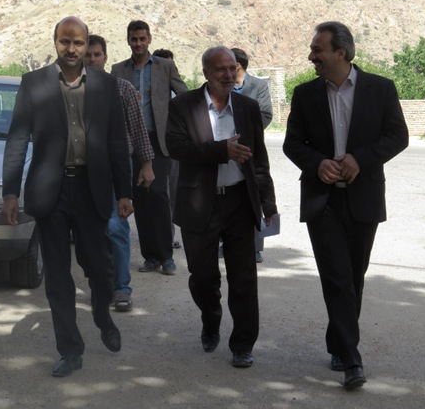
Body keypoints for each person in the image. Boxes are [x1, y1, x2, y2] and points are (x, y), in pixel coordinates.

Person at [1, 16, 133, 377]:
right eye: (65, 42)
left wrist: (124, 192)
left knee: (100, 269)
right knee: (58, 274)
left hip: (92, 189)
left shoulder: (107, 85)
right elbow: (17, 140)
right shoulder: (33, 83)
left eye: (78, 43)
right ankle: (70, 349)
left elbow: (117, 142)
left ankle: (102, 315)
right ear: (55, 42)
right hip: (51, 192)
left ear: (86, 44)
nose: (71, 49)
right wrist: (10, 193)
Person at [283, 21, 409, 390]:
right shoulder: (304, 94)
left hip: (363, 197)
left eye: (317, 50)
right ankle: (352, 361)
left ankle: (338, 341)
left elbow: (398, 136)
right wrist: (317, 163)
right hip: (322, 200)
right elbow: (293, 143)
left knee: (353, 276)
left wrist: (361, 159)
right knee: (337, 277)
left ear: (341, 52)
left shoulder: (380, 89)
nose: (311, 57)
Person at [165, 46, 277, 368]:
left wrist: (268, 203)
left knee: (244, 278)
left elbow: (259, 159)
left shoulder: (248, 107)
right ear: (206, 73)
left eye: (232, 68)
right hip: (200, 202)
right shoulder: (183, 105)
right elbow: (175, 147)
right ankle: (210, 319)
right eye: (220, 70)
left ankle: (242, 344)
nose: (228, 75)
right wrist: (221, 151)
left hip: (240, 202)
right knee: (203, 277)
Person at [85, 34, 155, 312]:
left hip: (117, 166)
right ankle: (100, 285)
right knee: (90, 229)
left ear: (105, 57)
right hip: (83, 168)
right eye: (88, 54)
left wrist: (147, 163)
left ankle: (122, 288)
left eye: (97, 54)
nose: (92, 59)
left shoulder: (122, 88)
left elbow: (138, 128)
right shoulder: (71, 90)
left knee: (116, 226)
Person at [111, 20, 187, 275]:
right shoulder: (118, 70)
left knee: (158, 194)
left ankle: (166, 256)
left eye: (142, 38)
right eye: (134, 39)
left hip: (159, 140)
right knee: (140, 198)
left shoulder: (165, 66)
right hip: (130, 140)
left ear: (149, 39)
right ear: (128, 40)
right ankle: (150, 257)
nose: (138, 43)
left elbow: (183, 94)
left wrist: (182, 124)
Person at [229, 47, 273, 263]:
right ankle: (227, 243)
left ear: (237, 64)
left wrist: (247, 133)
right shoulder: (224, 86)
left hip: (251, 147)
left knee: (254, 194)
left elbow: (266, 114)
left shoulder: (259, 85)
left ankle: (255, 247)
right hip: (227, 148)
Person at [151, 47, 182, 251]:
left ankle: (168, 236)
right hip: (155, 148)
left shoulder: (178, 94)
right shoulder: (152, 94)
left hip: (174, 149)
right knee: (158, 194)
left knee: (173, 193)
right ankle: (161, 239)